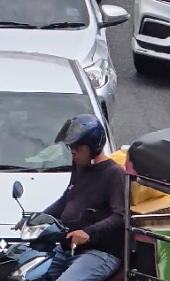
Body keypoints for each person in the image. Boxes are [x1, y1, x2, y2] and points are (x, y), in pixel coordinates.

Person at [44, 115, 126, 281]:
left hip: (100, 253)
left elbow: (121, 216)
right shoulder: (80, 167)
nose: (73, 151)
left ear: (94, 146)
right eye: (71, 146)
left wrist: (88, 232)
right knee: (27, 271)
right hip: (68, 248)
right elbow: (67, 199)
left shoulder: (113, 173)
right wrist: (39, 217)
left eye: (78, 146)